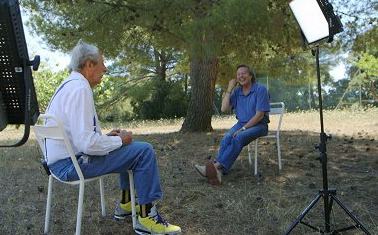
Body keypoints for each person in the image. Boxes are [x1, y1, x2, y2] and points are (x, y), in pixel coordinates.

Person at [44, 40, 181, 235]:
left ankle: (126, 205)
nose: (105, 68)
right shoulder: (80, 88)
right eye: (102, 63)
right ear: (89, 64)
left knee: (128, 149)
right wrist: (119, 140)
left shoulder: (68, 85)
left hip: (60, 162)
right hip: (71, 165)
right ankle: (147, 218)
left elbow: (77, 136)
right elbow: (86, 143)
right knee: (144, 151)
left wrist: (109, 139)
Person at [195, 64, 270, 184]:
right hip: (241, 123)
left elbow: (259, 115)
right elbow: (224, 108)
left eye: (243, 73)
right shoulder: (237, 92)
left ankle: (214, 167)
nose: (241, 76)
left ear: (251, 76)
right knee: (226, 138)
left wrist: (243, 129)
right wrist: (229, 88)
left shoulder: (260, 90)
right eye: (238, 74)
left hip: (259, 125)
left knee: (238, 138)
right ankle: (219, 172)